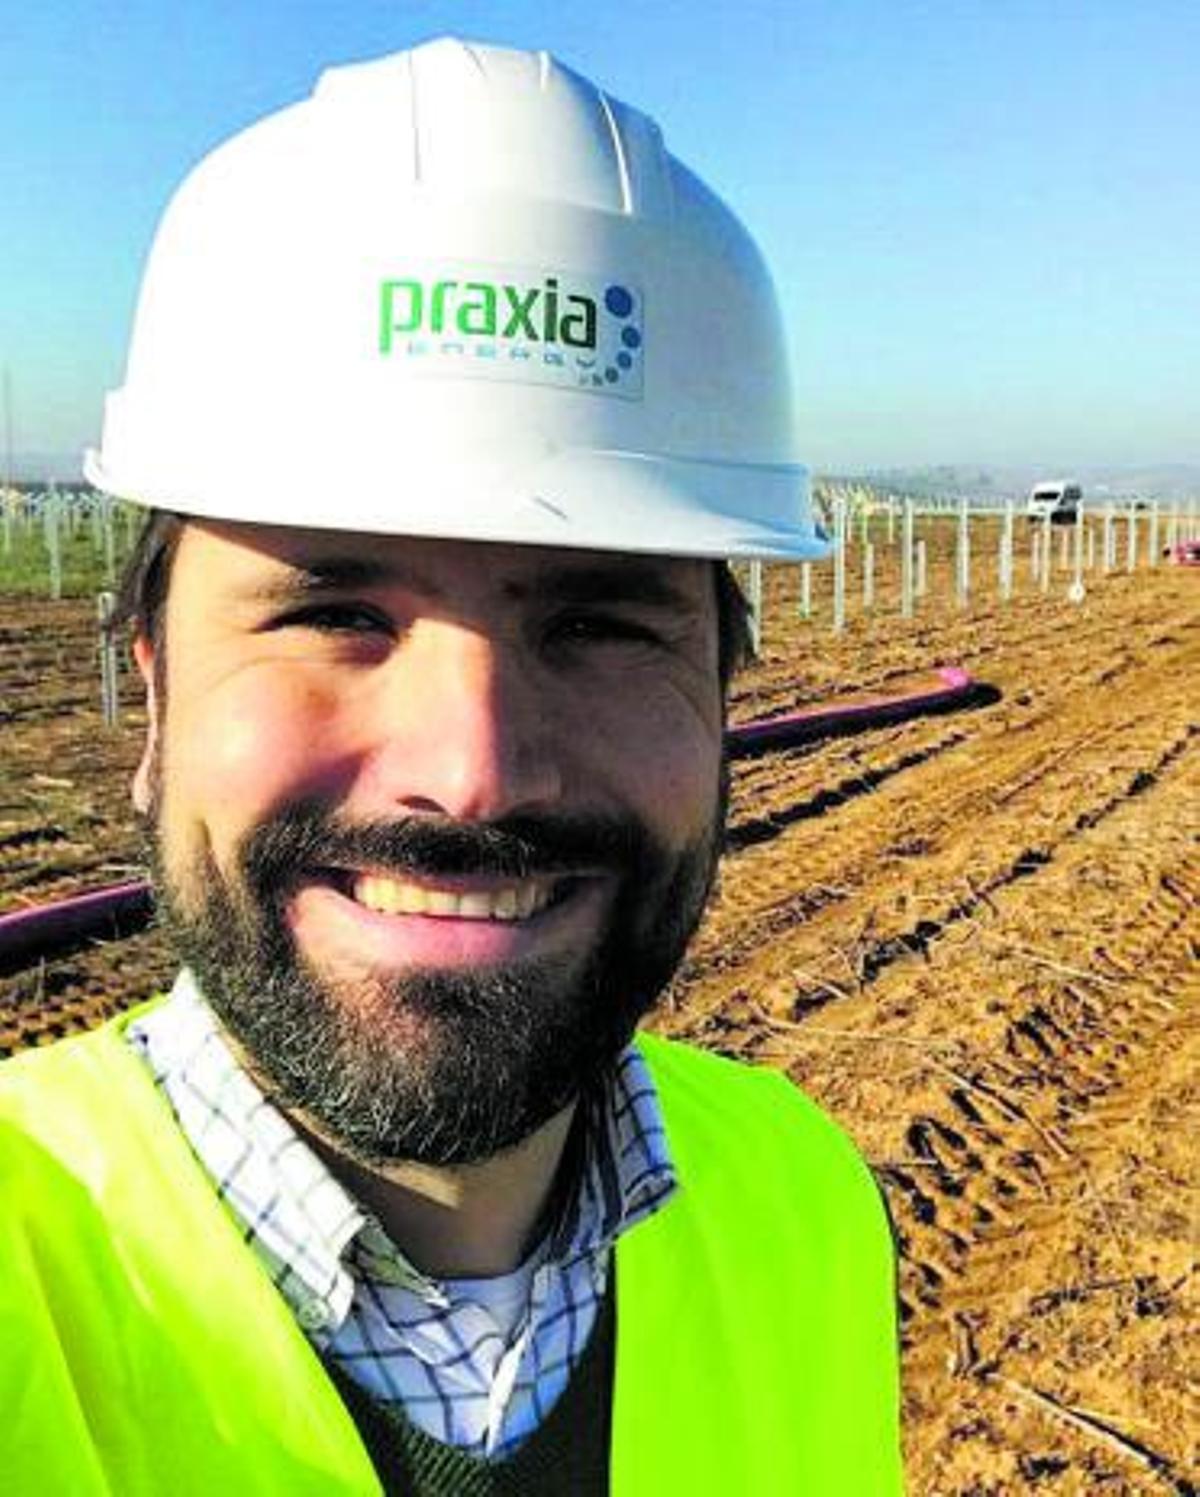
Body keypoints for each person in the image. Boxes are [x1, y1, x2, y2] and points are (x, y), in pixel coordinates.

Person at [1, 37, 902, 1495]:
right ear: (153, 693)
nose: (471, 773)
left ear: (726, 700)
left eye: (602, 619)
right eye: (334, 611)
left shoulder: (804, 1202)